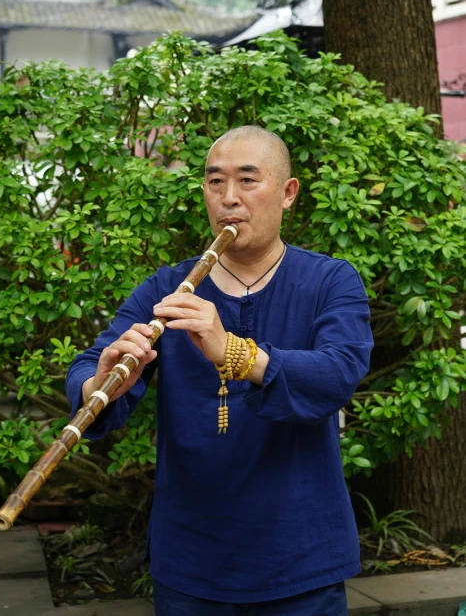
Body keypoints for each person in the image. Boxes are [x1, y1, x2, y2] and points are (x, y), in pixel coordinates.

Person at [66, 125, 373, 615]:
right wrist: (99, 380)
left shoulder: (330, 281)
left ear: (288, 193)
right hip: (190, 560)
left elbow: (338, 374)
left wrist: (232, 350)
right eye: (215, 183)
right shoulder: (166, 288)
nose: (229, 199)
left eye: (247, 181)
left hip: (300, 556)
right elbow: (90, 364)